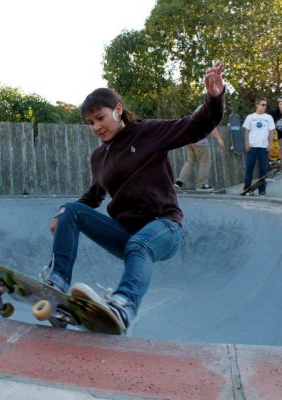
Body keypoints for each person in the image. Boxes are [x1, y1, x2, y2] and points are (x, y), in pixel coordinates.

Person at [39, 63, 226, 333]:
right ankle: (56, 283)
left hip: (164, 226)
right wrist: (63, 214)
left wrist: (214, 98)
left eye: (100, 118)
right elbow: (93, 196)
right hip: (124, 232)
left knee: (140, 243)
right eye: (90, 122)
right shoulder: (99, 157)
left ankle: (124, 304)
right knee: (70, 210)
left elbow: (196, 126)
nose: (96, 127)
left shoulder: (149, 132)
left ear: (117, 109)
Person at [174, 127, 224, 191]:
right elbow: (212, 127)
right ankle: (201, 185)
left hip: (189, 140)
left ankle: (179, 182)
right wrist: (219, 139)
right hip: (199, 141)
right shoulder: (207, 116)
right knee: (205, 162)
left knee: (190, 161)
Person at [242, 98, 275, 195]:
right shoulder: (250, 117)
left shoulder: (268, 117)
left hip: (264, 147)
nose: (264, 107)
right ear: (257, 105)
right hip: (252, 146)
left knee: (263, 170)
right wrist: (246, 144)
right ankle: (247, 188)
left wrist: (270, 144)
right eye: (262, 105)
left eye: (265, 105)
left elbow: (271, 132)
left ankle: (262, 190)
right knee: (249, 168)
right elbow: (246, 131)